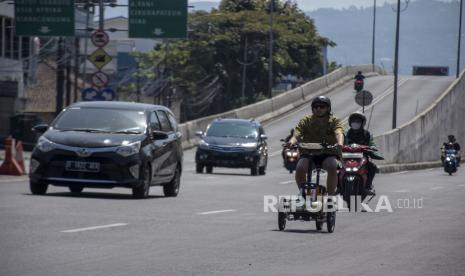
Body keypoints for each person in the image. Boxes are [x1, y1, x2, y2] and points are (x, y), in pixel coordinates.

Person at [289, 96, 344, 200]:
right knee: (300, 167)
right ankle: (302, 193)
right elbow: (297, 134)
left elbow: (339, 133)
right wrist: (291, 142)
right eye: (315, 106)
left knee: (332, 166)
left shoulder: (334, 121)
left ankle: (330, 196)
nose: (318, 109)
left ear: (328, 108)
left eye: (322, 106)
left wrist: (340, 143)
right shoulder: (306, 120)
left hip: (328, 154)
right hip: (309, 154)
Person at [345, 112, 383, 195]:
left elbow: (371, 143)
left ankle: (367, 186)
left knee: (372, 167)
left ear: (363, 123)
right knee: (337, 168)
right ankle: (339, 186)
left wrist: (372, 147)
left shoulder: (367, 134)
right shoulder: (346, 133)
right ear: (350, 122)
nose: (355, 123)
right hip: (346, 158)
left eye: (358, 121)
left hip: (362, 158)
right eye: (353, 121)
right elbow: (340, 142)